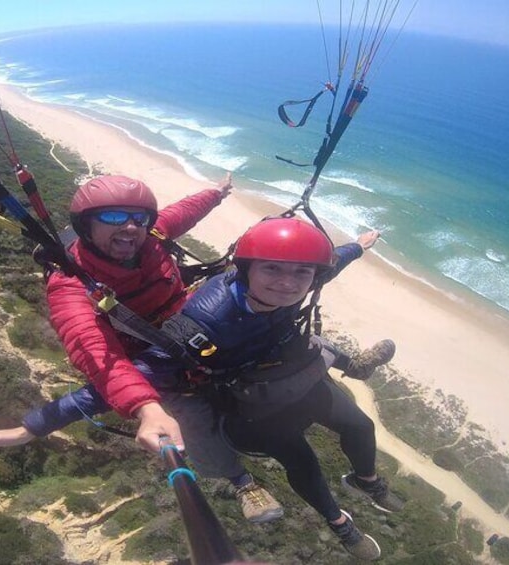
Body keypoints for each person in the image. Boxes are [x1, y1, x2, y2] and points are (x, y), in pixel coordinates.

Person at [0, 174, 284, 524]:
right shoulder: (70, 287)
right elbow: (96, 354)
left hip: (192, 320)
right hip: (149, 355)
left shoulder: (154, 235)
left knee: (261, 319)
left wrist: (217, 193)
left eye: (138, 218)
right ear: (85, 225)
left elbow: (185, 211)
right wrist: (146, 407)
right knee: (190, 416)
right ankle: (241, 481)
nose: (131, 228)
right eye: (115, 217)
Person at [131, 217, 400, 560]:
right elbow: (147, 368)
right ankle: (340, 525)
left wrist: (359, 247)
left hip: (291, 373)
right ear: (246, 271)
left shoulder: (296, 280)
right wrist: (144, 407)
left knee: (360, 425)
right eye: (272, 269)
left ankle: (366, 479)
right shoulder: (209, 315)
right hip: (251, 403)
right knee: (302, 459)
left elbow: (327, 264)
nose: (287, 284)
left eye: (300, 274)